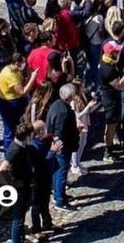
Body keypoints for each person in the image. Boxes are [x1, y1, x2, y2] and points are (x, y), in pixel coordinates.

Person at [45, 83, 80, 211]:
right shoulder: (64, 112)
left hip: (57, 145)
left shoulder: (56, 104)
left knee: (56, 171)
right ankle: (60, 200)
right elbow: (60, 132)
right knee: (61, 172)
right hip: (62, 147)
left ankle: (57, 194)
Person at [0, 52, 37, 152]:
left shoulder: (14, 70)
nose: (24, 65)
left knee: (16, 128)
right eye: (23, 63)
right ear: (16, 63)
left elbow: (22, 82)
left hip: (15, 102)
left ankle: (18, 148)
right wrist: (32, 78)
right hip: (11, 104)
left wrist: (27, 76)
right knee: (10, 130)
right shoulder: (10, 75)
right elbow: (22, 91)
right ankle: (9, 153)